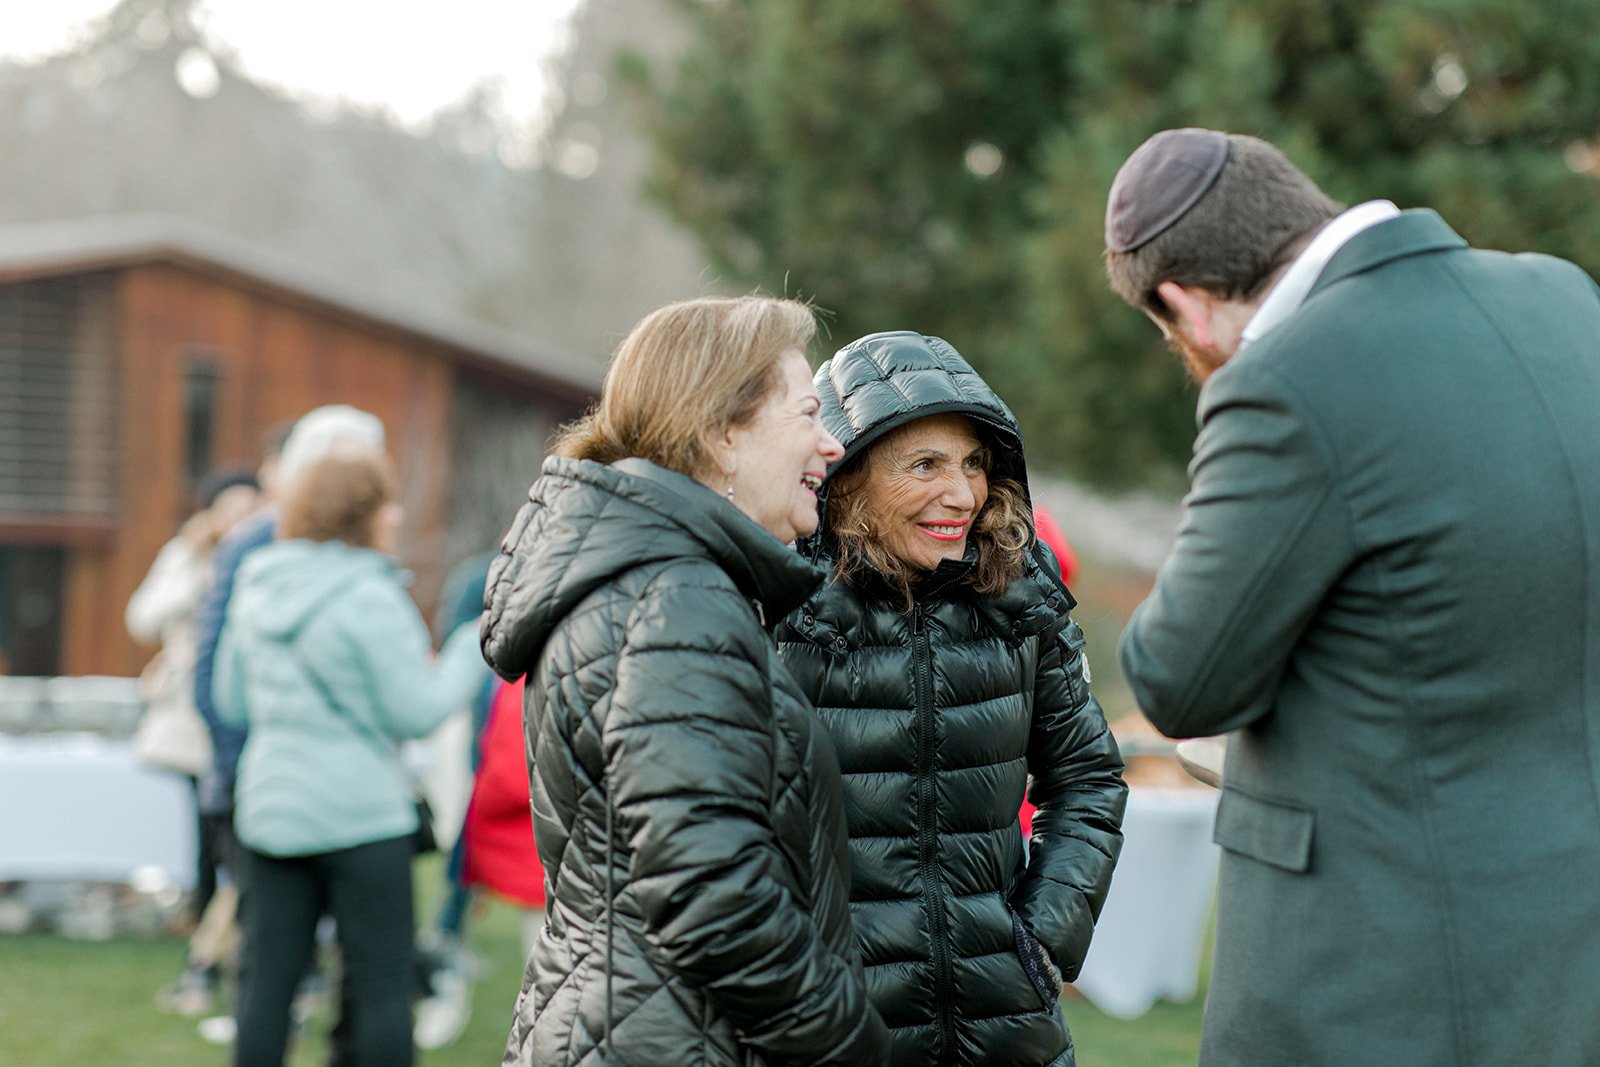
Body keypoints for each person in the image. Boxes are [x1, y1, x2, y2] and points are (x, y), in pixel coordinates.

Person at [1103, 127, 1600, 1066]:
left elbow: (1179, 679)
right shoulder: (1563, 296)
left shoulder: (1287, 378)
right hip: (1573, 940)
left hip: (1385, 970)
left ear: (1185, 305)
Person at [481, 295, 889, 1066]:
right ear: (721, 433)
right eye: (807, 413)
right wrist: (851, 1039)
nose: (831, 445)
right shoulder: (678, 601)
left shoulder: (662, 581)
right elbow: (714, 895)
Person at [772, 331, 1126, 1067]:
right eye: (924, 465)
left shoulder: (1022, 593)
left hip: (1006, 1025)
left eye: (973, 464)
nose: (961, 494)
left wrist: (1043, 934)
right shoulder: (777, 608)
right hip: (831, 1027)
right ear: (849, 475)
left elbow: (1088, 778)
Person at [214, 443, 488, 1067]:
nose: (394, 514)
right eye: (385, 503)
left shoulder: (257, 585)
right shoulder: (371, 595)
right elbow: (416, 711)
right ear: (360, 513)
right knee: (382, 989)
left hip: (270, 812)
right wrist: (472, 645)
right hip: (362, 816)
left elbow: (232, 701)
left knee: (265, 988)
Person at [127, 467, 260, 1016]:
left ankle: (219, 958)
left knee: (239, 845)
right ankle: (209, 958)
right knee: (211, 846)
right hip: (192, 727)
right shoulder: (186, 556)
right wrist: (196, 585)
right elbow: (141, 617)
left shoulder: (265, 556)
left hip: (247, 722)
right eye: (231, 506)